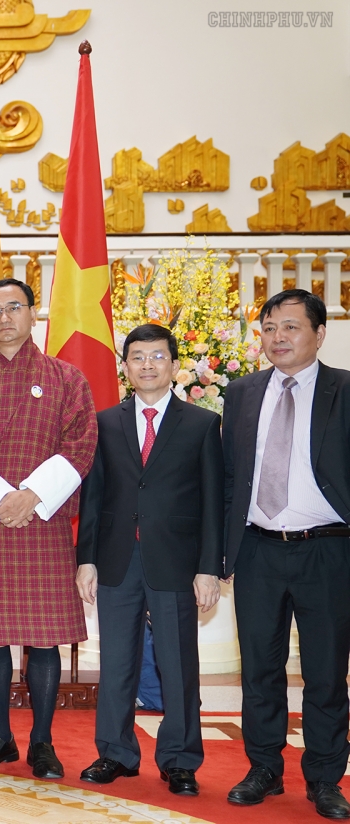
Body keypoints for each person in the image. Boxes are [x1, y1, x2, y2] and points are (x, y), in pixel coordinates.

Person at [0, 277, 97, 780]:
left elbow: (80, 443)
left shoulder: (66, 377)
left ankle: (43, 743)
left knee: (45, 640)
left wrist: (32, 496)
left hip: (43, 521)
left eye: (15, 308)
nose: (5, 318)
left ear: (34, 314)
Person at [75, 323, 224, 797]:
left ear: (175, 365)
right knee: (117, 660)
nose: (147, 365)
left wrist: (209, 567)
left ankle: (180, 759)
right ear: (125, 366)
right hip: (117, 559)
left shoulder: (201, 425)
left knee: (178, 663)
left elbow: (212, 502)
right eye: (137, 357)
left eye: (157, 357)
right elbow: (93, 498)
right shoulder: (104, 422)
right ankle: (115, 753)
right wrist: (87, 560)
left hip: (176, 561)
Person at [222, 289, 350, 819]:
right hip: (257, 550)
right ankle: (264, 768)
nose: (278, 337)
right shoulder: (242, 391)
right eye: (270, 327)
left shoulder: (345, 389)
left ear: (320, 333)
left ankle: (323, 778)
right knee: (259, 669)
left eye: (291, 327)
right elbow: (230, 476)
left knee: (325, 672)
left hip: (327, 550)